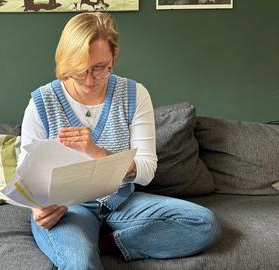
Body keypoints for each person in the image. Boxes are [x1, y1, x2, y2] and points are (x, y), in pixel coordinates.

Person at [18, 12, 221, 270]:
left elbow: (146, 172)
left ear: (113, 57)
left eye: (100, 68)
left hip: (122, 203)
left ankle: (109, 243)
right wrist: (38, 209)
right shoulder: (42, 102)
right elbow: (26, 176)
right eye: (80, 71)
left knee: (205, 224)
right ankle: (87, 244)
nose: (90, 80)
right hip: (69, 209)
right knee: (81, 264)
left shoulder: (134, 94)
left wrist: (97, 152)